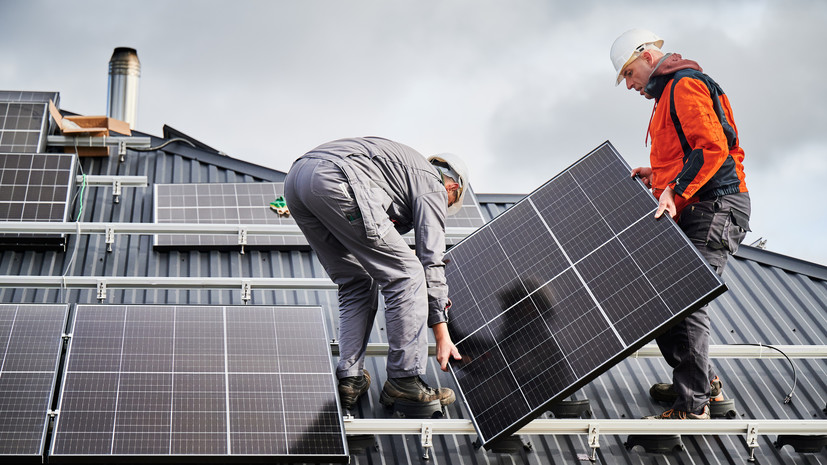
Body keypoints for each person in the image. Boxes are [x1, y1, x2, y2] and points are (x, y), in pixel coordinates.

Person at [610, 29, 751, 419]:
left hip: (715, 206)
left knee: (686, 298)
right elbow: (685, 155)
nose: (629, 85)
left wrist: (673, 189)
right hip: (698, 204)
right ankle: (703, 383)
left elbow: (711, 148)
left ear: (646, 56)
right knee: (663, 300)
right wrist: (657, 176)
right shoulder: (667, 94)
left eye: (628, 74)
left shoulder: (684, 84)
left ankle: (693, 404)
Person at [283, 136, 466, 411]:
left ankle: (350, 377)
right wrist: (441, 331)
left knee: (356, 280)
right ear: (452, 186)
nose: (444, 208)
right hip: (337, 177)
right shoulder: (432, 183)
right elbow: (431, 259)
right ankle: (405, 380)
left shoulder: (400, 171)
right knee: (407, 274)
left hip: (297, 181)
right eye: (449, 203)